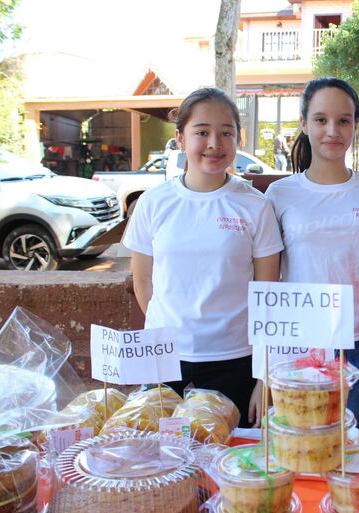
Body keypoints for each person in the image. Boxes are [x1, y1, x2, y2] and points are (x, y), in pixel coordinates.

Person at [123, 88, 284, 428]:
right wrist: (171, 332)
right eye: (202, 132)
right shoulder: (154, 203)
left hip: (236, 359)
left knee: (229, 462)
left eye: (226, 132)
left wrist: (263, 377)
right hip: (164, 359)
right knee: (159, 462)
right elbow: (143, 282)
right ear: (181, 138)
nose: (215, 143)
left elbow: (269, 296)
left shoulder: (255, 205)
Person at [265, 77, 359, 428]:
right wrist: (266, 362)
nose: (332, 130)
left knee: (350, 455)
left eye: (343, 120)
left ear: (355, 126)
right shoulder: (280, 194)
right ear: (303, 123)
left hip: (358, 345)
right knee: (301, 453)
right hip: (295, 348)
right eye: (320, 120)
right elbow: (268, 281)